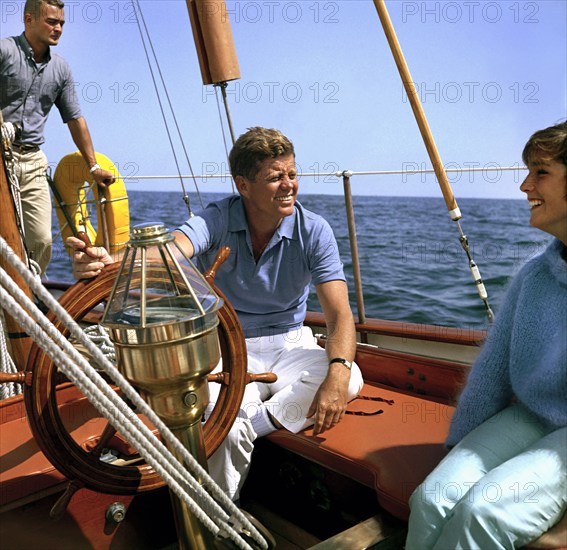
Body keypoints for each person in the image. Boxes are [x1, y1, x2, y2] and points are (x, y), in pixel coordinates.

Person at [67, 126, 364, 502]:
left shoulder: (315, 230)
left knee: (348, 377)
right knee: (223, 417)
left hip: (291, 345)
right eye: (275, 177)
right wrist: (112, 263)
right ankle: (223, 519)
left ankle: (248, 425)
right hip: (228, 347)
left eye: (292, 174)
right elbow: (172, 251)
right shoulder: (217, 219)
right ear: (243, 185)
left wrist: (335, 375)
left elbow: (339, 316)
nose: (289, 185)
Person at [405, 120, 567, 549]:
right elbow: (492, 370)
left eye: (541, 172)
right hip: (534, 415)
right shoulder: (535, 275)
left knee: (484, 513)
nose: (524, 185)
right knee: (432, 498)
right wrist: (462, 450)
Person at [0, 0, 114, 275]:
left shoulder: (61, 69)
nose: (59, 28)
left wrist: (93, 166)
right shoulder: (4, 51)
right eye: (52, 21)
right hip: (0, 155)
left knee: (41, 240)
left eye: (61, 23)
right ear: (29, 20)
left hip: (32, 160)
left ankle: (26, 302)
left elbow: (75, 118)